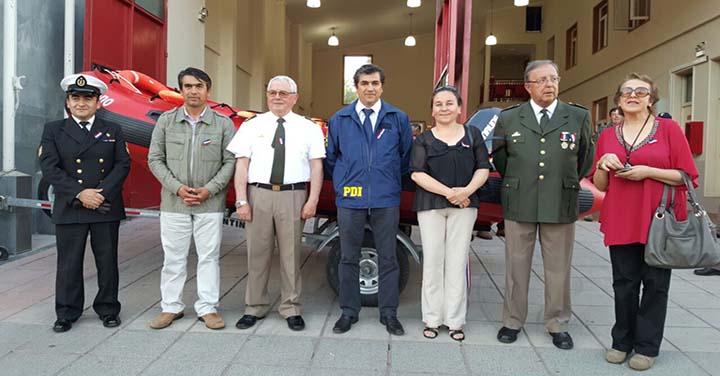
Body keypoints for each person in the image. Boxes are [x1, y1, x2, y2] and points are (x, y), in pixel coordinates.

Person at [593, 73, 699, 370]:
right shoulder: (607, 135)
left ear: (651, 99)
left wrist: (647, 171)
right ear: (618, 100)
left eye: (641, 91)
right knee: (624, 284)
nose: (633, 95)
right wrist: (602, 163)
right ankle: (621, 341)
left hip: (659, 217)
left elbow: (686, 176)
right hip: (621, 217)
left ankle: (647, 347)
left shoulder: (669, 129)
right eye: (626, 91)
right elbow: (600, 185)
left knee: (655, 284)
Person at [492, 60, 594, 350]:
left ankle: (558, 323)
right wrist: (519, 179)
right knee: (516, 265)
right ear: (528, 86)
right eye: (542, 80)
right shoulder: (510, 118)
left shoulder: (576, 116)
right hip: (519, 198)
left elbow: (585, 156)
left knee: (558, 267)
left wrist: (563, 179)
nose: (549, 85)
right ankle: (512, 321)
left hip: (559, 199)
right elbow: (501, 157)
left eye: (553, 79)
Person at [227, 75, 325, 331]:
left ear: (295, 98)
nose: (277, 97)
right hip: (258, 194)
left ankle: (291, 307)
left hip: (293, 195)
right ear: (267, 95)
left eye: (283, 93)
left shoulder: (309, 128)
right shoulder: (251, 125)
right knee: (257, 253)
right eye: (272, 92)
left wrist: (312, 199)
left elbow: (316, 167)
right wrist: (241, 201)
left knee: (291, 254)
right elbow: (242, 165)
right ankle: (254, 307)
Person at [325, 64, 414, 335]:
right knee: (348, 256)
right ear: (356, 87)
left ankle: (389, 314)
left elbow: (405, 158)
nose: (370, 88)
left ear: (382, 86)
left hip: (385, 198)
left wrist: (385, 180)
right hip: (350, 199)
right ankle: (348, 312)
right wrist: (345, 183)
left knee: (388, 257)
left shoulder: (397, 118)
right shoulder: (340, 119)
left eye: (375, 83)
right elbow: (332, 158)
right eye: (364, 83)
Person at [39, 74, 131, 332]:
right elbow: (49, 167)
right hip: (71, 205)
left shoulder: (113, 130)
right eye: (75, 98)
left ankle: (108, 308)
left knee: (107, 261)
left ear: (98, 103)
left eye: (88, 98)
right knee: (68, 262)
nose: (81, 103)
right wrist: (81, 194)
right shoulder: (53, 130)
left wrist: (100, 194)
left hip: (105, 204)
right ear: (68, 102)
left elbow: (122, 164)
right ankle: (67, 311)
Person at [147, 67, 236, 330]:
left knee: (209, 257)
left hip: (210, 203)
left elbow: (230, 161)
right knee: (173, 257)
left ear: (208, 90)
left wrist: (210, 189)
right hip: (175, 203)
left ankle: (207, 308)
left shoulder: (223, 124)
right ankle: (171, 307)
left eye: (199, 86)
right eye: (188, 86)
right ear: (181, 90)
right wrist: (177, 188)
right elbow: (155, 159)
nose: (193, 91)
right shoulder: (166, 121)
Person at [410, 86, 490, 341]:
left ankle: (455, 320)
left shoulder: (473, 135)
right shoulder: (423, 139)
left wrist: (466, 190)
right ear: (432, 110)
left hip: (465, 207)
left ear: (459, 107)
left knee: (457, 261)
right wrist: (450, 193)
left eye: (449, 103)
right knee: (433, 261)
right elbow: (417, 173)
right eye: (438, 104)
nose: (443, 108)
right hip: (431, 206)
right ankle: (432, 318)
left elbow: (483, 168)